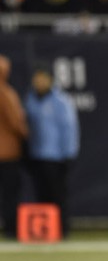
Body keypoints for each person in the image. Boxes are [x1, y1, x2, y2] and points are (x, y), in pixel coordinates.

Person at [24, 62, 80, 238]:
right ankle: (44, 231)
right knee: (41, 194)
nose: (39, 83)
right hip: (37, 155)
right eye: (36, 79)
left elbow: (69, 128)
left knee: (58, 195)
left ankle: (62, 230)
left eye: (42, 79)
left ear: (50, 80)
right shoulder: (30, 99)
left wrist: (68, 153)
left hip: (56, 156)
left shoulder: (60, 100)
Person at [0, 55, 28, 239]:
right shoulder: (5, 92)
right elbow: (16, 122)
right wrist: (26, 133)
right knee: (10, 192)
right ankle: (11, 227)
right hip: (8, 152)